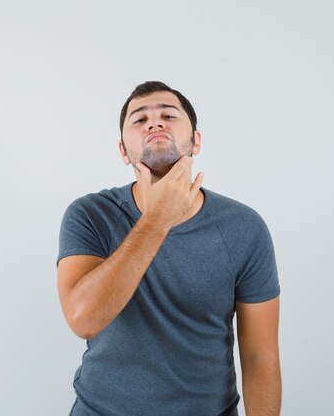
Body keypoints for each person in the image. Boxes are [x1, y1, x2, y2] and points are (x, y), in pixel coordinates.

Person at [56, 81, 281, 416]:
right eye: (139, 118)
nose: (154, 122)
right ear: (123, 151)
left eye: (168, 115)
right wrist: (159, 218)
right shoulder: (89, 215)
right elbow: (84, 319)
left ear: (196, 141)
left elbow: (259, 356)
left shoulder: (244, 227)